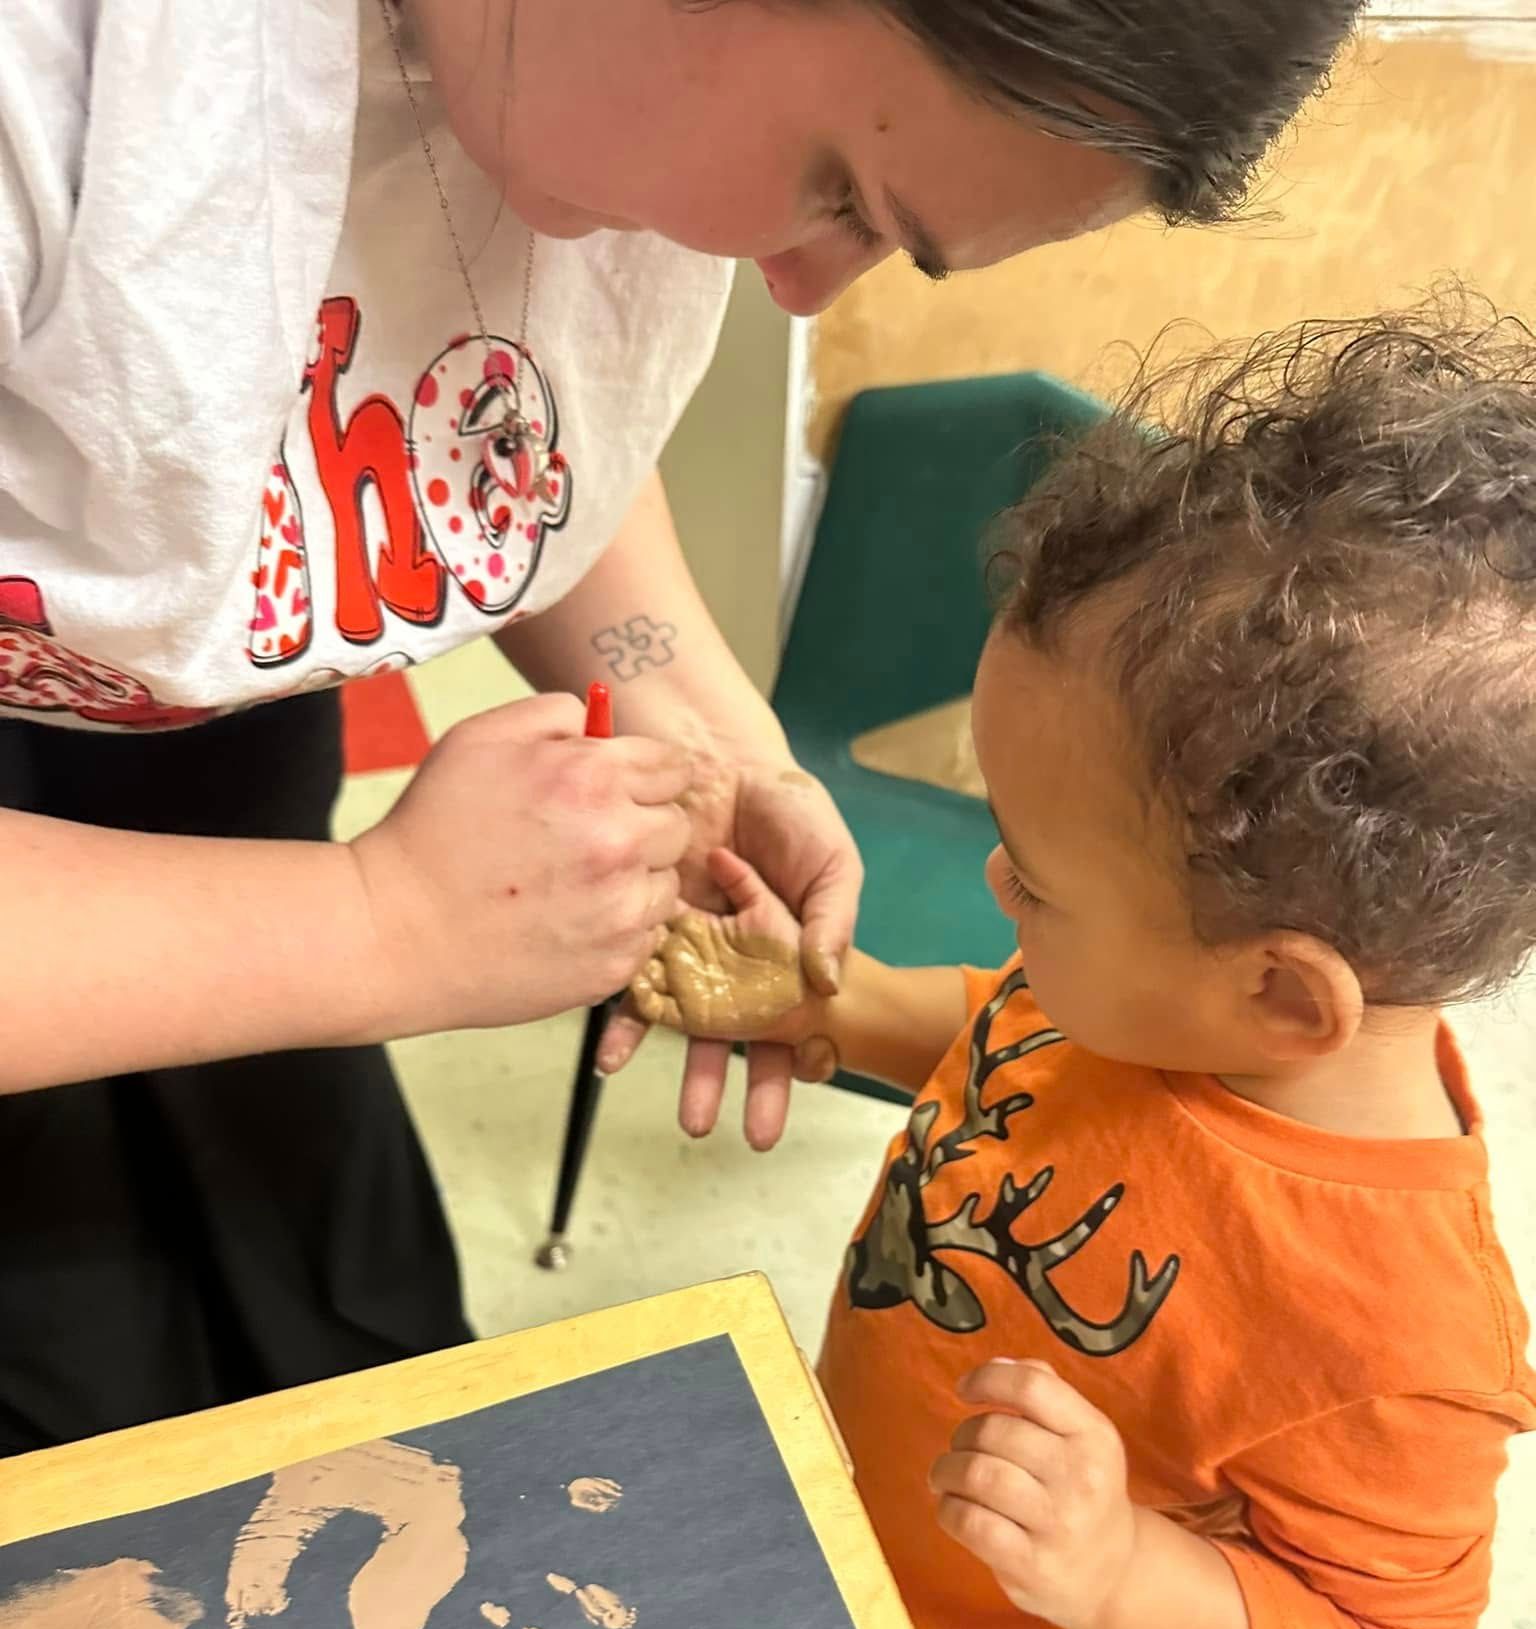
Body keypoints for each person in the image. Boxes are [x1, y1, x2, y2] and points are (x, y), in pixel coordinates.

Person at [0, 0, 1361, 1455]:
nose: (793, 284)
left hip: (234, 794)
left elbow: (517, 417)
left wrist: (712, 745)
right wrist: (380, 922)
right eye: (841, 186)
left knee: (362, 1365)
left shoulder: (590, 130)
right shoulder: (66, 76)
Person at [631, 300, 1536, 1629]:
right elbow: (988, 1039)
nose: (991, 887)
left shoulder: (1398, 1330)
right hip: (843, 1536)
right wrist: (818, 1003)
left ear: (1283, 999)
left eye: (1032, 882)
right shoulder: (1143, 998)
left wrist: (1121, 1575)